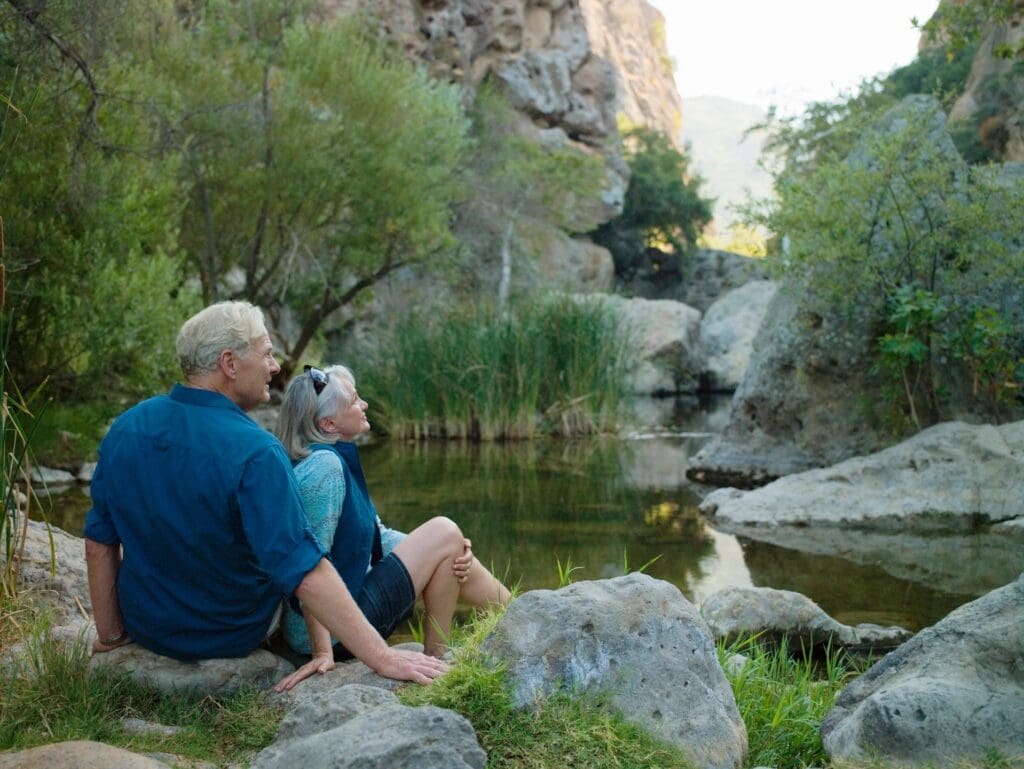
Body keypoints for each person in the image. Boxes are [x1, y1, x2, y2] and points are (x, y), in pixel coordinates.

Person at [84, 301, 447, 687]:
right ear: (230, 363)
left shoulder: (127, 427)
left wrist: (111, 636)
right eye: (267, 353)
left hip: (150, 628)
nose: (275, 367)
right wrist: (382, 656)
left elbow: (99, 544)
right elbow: (305, 570)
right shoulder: (257, 451)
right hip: (230, 634)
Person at [272, 363, 511, 690]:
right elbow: (310, 565)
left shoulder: (332, 455)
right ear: (328, 423)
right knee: (445, 532)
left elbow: (376, 536)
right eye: (354, 400)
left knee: (451, 547)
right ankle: (439, 662)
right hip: (339, 627)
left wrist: (439, 551)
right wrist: (322, 651)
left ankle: (520, 614)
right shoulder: (323, 471)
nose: (364, 405)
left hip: (347, 605)